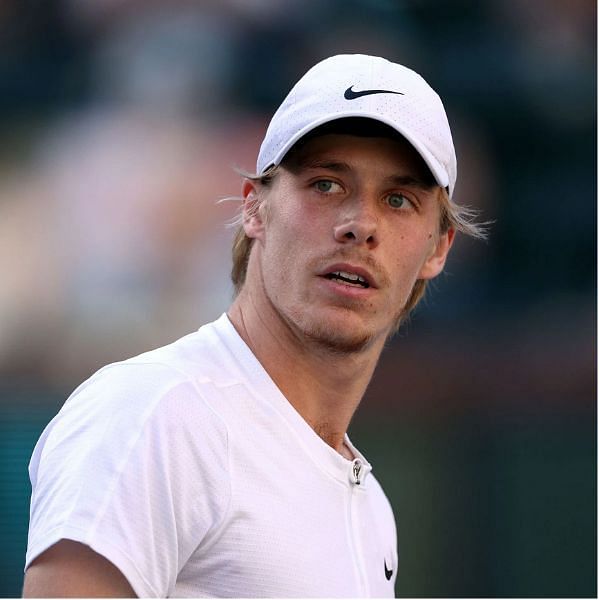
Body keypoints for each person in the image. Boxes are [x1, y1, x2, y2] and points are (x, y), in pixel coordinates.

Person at [23, 54, 483, 597]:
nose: (360, 225)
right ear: (255, 208)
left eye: (399, 199)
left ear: (439, 247)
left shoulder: (374, 510)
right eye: (326, 185)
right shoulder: (151, 414)